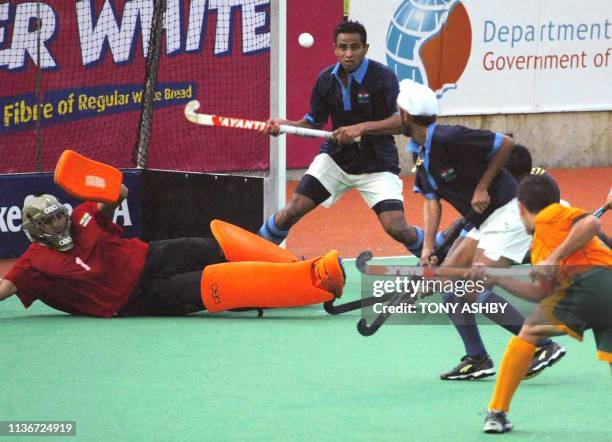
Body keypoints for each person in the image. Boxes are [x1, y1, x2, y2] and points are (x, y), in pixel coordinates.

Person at [396, 79, 566, 380]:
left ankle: (542, 345)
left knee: (476, 289)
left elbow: (505, 143)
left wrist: (482, 187)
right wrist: (427, 250)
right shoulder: (419, 152)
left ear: (405, 115)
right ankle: (477, 358)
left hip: (509, 210)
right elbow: (431, 202)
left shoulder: (450, 137)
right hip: (483, 222)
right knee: (449, 282)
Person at [0, 187, 345, 318]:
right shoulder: (33, 264)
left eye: (59, 215)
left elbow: (116, 194)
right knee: (218, 283)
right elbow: (5, 289)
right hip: (137, 299)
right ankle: (311, 282)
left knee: (216, 247)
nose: (60, 224)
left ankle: (292, 264)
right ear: (34, 230)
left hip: (150, 256)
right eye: (49, 223)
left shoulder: (83, 216)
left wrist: (103, 184)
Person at [259, 20, 429, 257]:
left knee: (397, 227)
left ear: (365, 48)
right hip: (336, 159)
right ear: (335, 49)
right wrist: (286, 125)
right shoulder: (326, 79)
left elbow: (402, 123)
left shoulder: (383, 77)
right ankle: (253, 253)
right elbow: (313, 122)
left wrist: (361, 128)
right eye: (343, 47)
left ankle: (438, 256)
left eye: (355, 47)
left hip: (377, 163)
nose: (348, 54)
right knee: (292, 209)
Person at [470, 174, 612, 433]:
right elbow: (540, 294)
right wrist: (498, 278)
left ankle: (497, 412)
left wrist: (554, 258)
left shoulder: (550, 215)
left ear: (521, 207)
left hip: (595, 281)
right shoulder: (540, 242)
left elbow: (591, 222)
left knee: (529, 330)